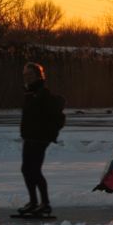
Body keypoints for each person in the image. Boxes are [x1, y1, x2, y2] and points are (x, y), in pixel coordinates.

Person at [18, 62, 65, 216]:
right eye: (25, 75)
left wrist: (48, 135)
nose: (27, 77)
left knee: (34, 170)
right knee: (26, 169)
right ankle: (33, 202)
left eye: (30, 75)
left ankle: (45, 204)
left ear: (38, 76)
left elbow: (58, 118)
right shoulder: (29, 93)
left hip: (39, 139)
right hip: (29, 137)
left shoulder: (42, 93)